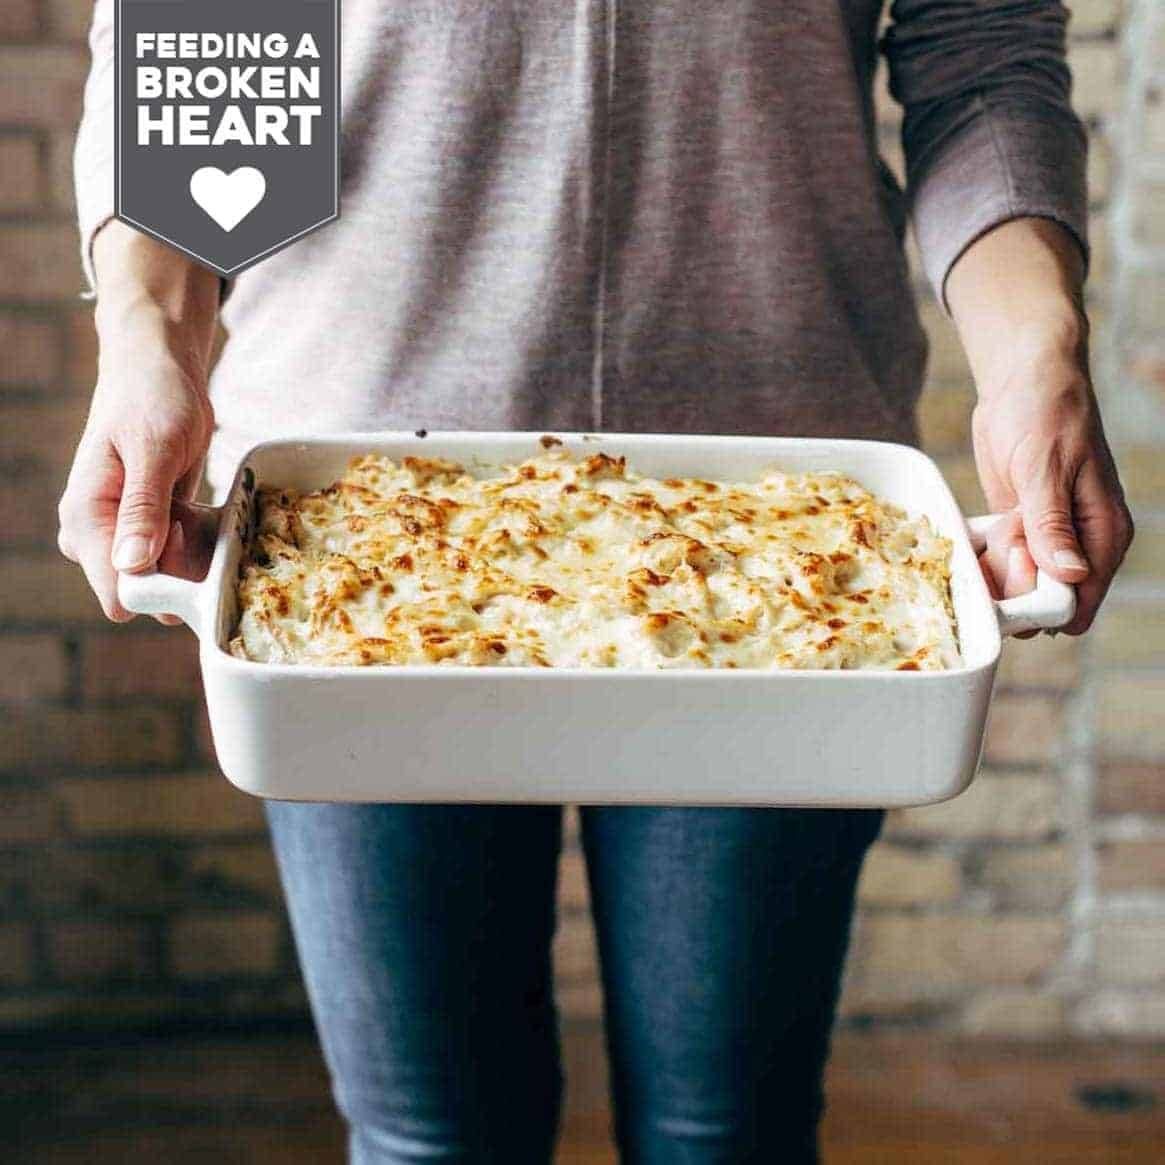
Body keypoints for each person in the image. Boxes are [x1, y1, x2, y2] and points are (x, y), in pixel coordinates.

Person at [60, 2, 1133, 1162]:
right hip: (350, 526)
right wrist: (147, 343)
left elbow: (974, 49)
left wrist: (1037, 360)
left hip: (790, 549)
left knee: (724, 1133)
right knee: (432, 1135)